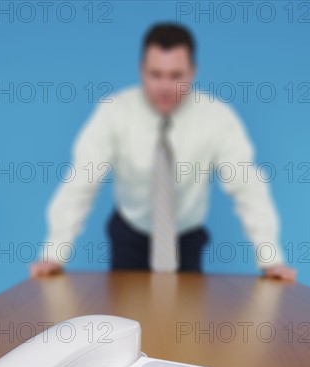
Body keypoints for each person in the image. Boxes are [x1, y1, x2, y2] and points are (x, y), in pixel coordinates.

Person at [30, 23, 296, 281]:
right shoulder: (113, 112)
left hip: (187, 241)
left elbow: (248, 187)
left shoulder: (218, 117)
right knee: (126, 320)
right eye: (155, 74)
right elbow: (81, 181)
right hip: (129, 236)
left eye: (176, 75)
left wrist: (270, 258)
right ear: (141, 70)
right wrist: (54, 252)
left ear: (193, 71)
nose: (165, 87)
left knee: (185, 322)